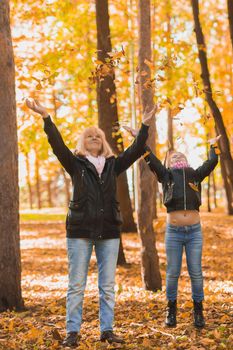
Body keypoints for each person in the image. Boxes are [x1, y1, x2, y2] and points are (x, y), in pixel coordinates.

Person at [26, 98, 156, 347]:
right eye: (90, 136)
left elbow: (136, 150)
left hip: (108, 231)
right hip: (80, 231)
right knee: (76, 285)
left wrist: (145, 125)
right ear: (83, 143)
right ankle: (72, 332)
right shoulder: (75, 164)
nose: (95, 137)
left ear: (103, 142)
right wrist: (46, 117)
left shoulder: (112, 165)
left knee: (107, 286)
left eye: (98, 135)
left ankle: (107, 330)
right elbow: (57, 144)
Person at [125, 125, 220, 328]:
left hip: (194, 232)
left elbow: (212, 161)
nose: (177, 158)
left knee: (196, 271)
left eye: (180, 156)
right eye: (173, 157)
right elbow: (149, 157)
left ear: (186, 161)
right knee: (173, 272)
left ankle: (198, 311)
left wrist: (213, 146)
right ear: (169, 163)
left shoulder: (195, 174)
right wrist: (138, 137)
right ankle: (171, 310)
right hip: (174, 233)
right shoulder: (166, 175)